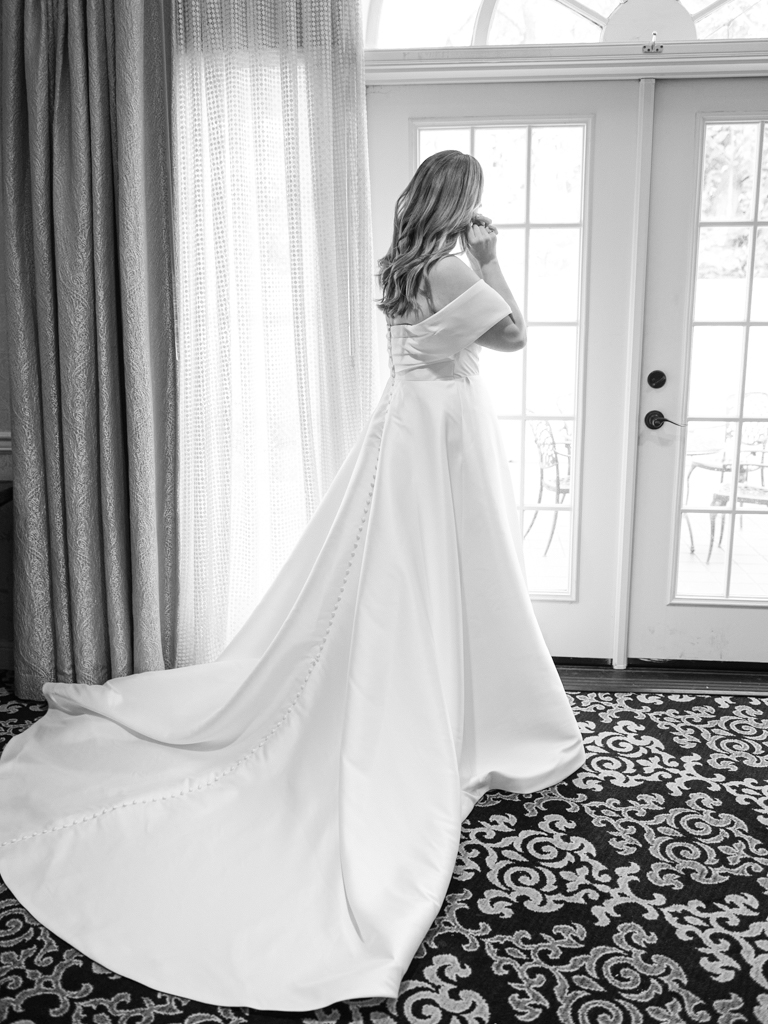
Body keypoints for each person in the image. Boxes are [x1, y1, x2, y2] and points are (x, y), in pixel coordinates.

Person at [0, 150, 585, 1013]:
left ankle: (422, 693)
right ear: (462, 202)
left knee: (397, 575)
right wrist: (494, 255)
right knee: (438, 576)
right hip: (441, 435)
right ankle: (440, 714)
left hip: (411, 427)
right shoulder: (457, 262)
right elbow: (513, 336)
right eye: (476, 201)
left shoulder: (404, 264)